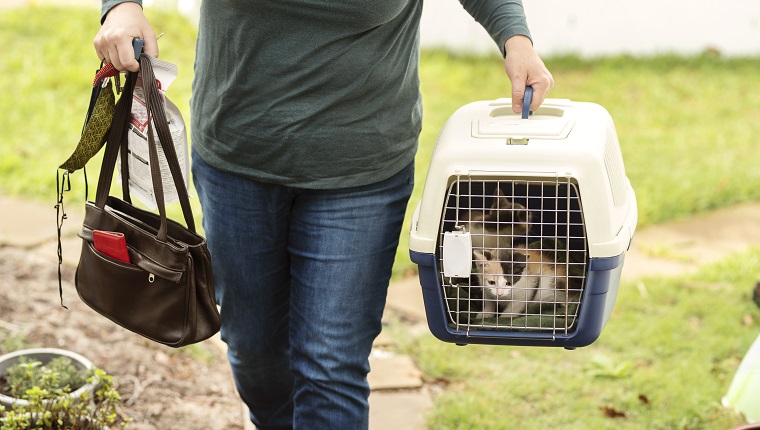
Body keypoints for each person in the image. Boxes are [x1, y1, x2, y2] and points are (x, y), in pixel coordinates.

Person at [94, 1, 554, 428]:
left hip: (362, 167)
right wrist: (122, 7)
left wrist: (516, 39)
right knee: (254, 349)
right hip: (239, 156)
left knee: (331, 363)